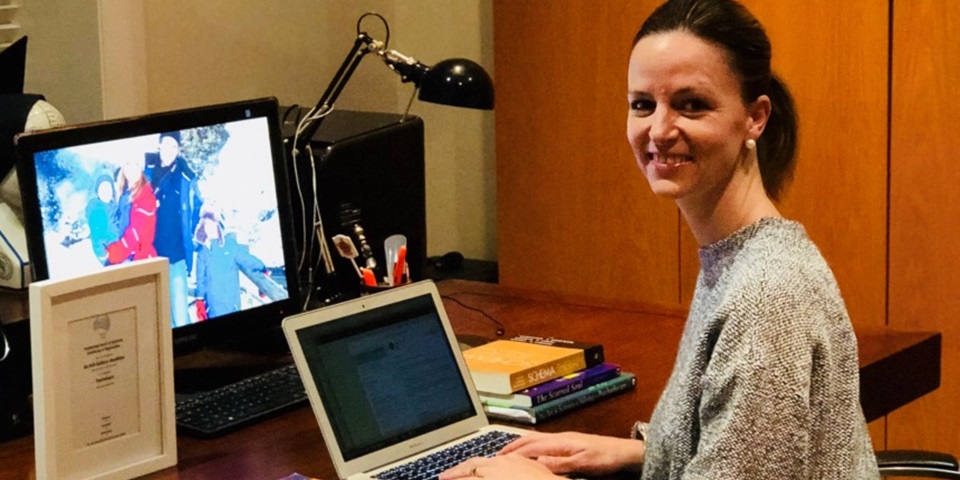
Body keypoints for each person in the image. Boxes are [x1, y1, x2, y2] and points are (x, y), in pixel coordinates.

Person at [440, 0, 880, 479]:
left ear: (755, 117)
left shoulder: (766, 296)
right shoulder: (742, 254)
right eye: (643, 104)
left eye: (692, 104)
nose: (659, 130)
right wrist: (642, 452)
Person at [146, 131, 201, 327]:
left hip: (177, 256)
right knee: (160, 316)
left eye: (173, 146)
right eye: (166, 145)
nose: (169, 150)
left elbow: (199, 207)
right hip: (152, 257)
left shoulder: (185, 176)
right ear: (159, 146)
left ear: (178, 150)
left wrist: (195, 237)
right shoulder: (146, 171)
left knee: (180, 316)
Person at [192, 209, 269, 320]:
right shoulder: (203, 252)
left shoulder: (229, 245)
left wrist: (262, 267)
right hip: (214, 306)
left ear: (217, 225)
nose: (210, 228)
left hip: (232, 303)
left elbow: (247, 259)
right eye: (206, 225)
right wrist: (200, 300)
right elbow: (201, 279)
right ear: (203, 227)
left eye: (212, 224)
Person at [106, 156, 157, 264]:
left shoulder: (146, 196)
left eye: (136, 164)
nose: (132, 169)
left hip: (137, 258)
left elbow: (135, 234)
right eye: (128, 163)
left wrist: (113, 253)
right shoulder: (124, 193)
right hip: (124, 255)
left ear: (141, 168)